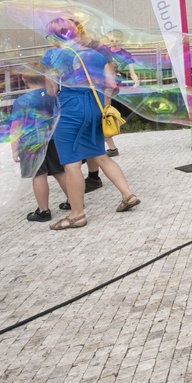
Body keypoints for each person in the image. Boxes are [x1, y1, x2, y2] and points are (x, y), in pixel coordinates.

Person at [41, 17, 140, 230]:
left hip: (70, 108)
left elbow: (50, 91)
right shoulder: (95, 55)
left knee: (71, 163)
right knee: (101, 155)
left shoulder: (53, 55)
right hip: (94, 106)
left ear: (55, 36)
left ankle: (77, 215)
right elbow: (109, 84)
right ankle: (127, 194)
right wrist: (104, 107)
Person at [9, 67, 68, 222]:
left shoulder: (21, 101)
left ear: (24, 79)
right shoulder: (52, 95)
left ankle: (43, 211)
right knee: (59, 171)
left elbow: (16, 127)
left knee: (38, 174)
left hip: (31, 143)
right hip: (52, 138)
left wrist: (15, 150)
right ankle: (74, 200)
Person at [99, 30, 139, 157]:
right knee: (101, 113)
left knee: (104, 113)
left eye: (116, 41)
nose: (113, 44)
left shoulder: (124, 54)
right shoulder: (104, 50)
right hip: (101, 82)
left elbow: (132, 71)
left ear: (121, 41)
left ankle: (109, 146)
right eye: (111, 41)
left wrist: (136, 81)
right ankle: (110, 147)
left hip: (110, 85)